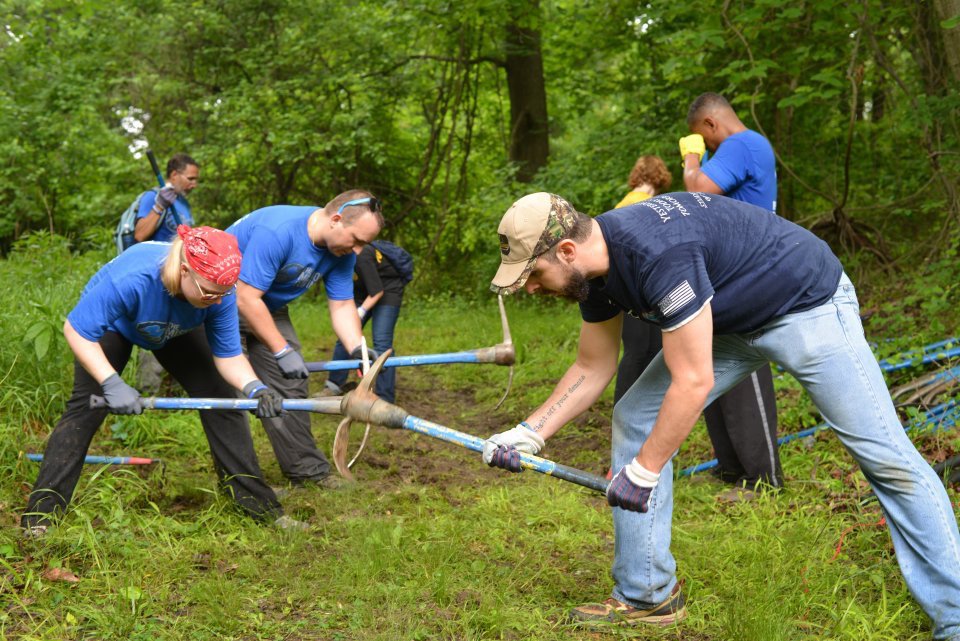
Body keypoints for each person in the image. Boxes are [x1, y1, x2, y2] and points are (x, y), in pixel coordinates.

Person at [483, 192, 960, 637]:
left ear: (566, 250)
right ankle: (647, 596)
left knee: (886, 457)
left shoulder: (656, 254)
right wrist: (529, 432)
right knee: (636, 413)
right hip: (730, 322)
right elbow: (593, 365)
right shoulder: (596, 275)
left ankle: (955, 616)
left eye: (534, 274)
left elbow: (693, 381)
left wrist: (645, 471)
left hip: (806, 304)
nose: (530, 288)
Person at [22, 226, 293, 537]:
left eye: (223, 294)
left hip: (177, 327)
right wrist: (111, 382)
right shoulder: (133, 277)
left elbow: (229, 356)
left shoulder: (217, 293)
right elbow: (78, 331)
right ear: (184, 270)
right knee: (85, 409)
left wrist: (255, 389)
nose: (218, 302)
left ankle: (254, 504)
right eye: (210, 293)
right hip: (115, 326)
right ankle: (40, 518)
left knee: (222, 398)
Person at [226, 190, 384, 487]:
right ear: (336, 220)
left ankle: (306, 470)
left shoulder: (341, 251)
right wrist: (281, 349)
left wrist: (357, 348)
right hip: (219, 303)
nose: (359, 251)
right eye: (357, 240)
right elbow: (245, 298)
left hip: (266, 305)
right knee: (234, 393)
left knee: (291, 385)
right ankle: (247, 486)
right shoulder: (278, 231)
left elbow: (341, 304)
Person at [679, 92, 781, 493]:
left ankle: (762, 479)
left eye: (703, 139)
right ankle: (732, 467)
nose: (707, 147)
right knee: (712, 365)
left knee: (744, 366)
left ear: (709, 125)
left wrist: (690, 157)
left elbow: (697, 191)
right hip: (724, 273)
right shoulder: (740, 148)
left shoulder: (741, 143)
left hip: (747, 273)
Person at [612, 155, 672, 409]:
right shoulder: (649, 205)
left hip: (630, 289)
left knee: (647, 350)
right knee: (642, 351)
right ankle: (625, 407)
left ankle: (641, 406)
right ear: (660, 176)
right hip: (641, 289)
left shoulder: (624, 203)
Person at [325, 240, 410, 403]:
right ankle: (333, 386)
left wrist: (361, 311)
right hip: (362, 291)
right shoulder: (336, 258)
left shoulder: (361, 255)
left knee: (382, 342)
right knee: (346, 335)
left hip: (388, 291)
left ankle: (384, 398)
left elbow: (377, 291)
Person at [134, 153, 199, 243]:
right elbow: (139, 235)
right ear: (174, 175)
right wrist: (159, 206)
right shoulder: (152, 196)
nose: (194, 185)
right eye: (190, 179)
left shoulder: (184, 202)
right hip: (157, 256)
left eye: (196, 180)